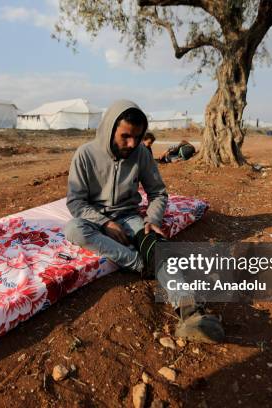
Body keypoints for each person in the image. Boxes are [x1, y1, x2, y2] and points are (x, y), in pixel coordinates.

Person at [64, 100, 224, 344]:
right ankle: (140, 264)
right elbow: (76, 203)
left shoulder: (140, 153)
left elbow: (158, 192)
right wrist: (106, 223)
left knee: (156, 244)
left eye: (136, 137)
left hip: (129, 216)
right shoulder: (85, 155)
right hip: (95, 219)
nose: (131, 144)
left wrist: (152, 218)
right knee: (74, 229)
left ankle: (190, 311)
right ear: (109, 129)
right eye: (125, 136)